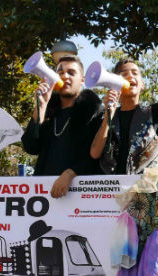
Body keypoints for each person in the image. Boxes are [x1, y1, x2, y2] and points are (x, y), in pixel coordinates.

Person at [91, 4, 158, 175]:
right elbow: (94, 153)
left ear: (142, 84)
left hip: (144, 193)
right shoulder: (107, 115)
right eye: (124, 74)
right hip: (111, 194)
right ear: (114, 82)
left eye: (135, 73)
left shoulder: (153, 112)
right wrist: (108, 117)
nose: (130, 76)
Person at [21, 55, 104, 198]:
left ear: (82, 80)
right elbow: (30, 147)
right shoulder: (49, 109)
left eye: (71, 73)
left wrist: (70, 173)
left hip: (80, 196)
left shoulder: (94, 110)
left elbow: (97, 155)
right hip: (45, 194)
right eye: (60, 73)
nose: (65, 76)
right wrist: (40, 107)